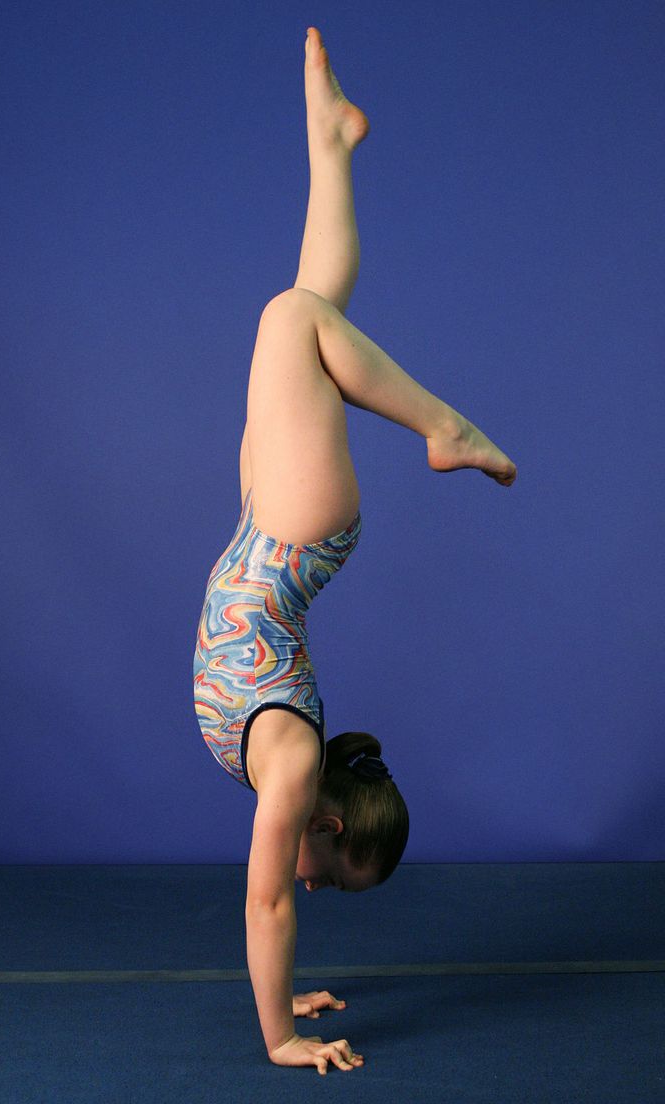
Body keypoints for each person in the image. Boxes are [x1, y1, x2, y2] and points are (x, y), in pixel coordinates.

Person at [192, 26, 517, 1076]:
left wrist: (288, 995)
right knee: (293, 317)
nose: (313, 886)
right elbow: (267, 897)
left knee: (312, 311)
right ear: (328, 820)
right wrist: (281, 1035)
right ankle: (444, 427)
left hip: (259, 529)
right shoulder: (288, 767)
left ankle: (329, 144)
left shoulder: (290, 768)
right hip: (293, 539)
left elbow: (272, 894)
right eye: (333, 873)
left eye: (327, 884)